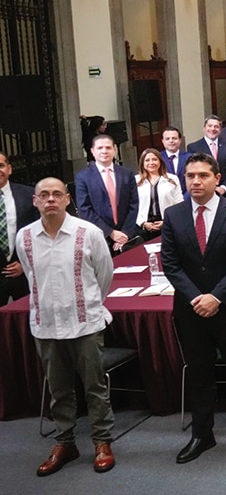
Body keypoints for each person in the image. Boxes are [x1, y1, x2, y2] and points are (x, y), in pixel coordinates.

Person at [161, 154, 226, 464]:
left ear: (217, 178)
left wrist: (216, 297)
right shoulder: (174, 215)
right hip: (191, 311)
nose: (195, 181)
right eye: (190, 175)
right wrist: (196, 298)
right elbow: (171, 264)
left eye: (203, 175)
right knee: (199, 375)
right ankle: (202, 434)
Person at [19, 178, 116, 476]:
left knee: (94, 387)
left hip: (84, 323)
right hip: (46, 326)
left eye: (56, 194)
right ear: (35, 200)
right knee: (59, 390)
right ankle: (65, 441)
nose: (50, 199)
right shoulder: (24, 237)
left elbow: (105, 274)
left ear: (67, 199)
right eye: (44, 195)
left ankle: (102, 441)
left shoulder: (88, 233)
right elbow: (30, 276)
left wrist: (87, 304)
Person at [75, 133, 139, 253]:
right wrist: (110, 232)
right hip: (99, 237)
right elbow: (84, 209)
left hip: (127, 237)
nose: (104, 151)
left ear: (115, 150)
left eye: (108, 147)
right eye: (100, 148)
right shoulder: (83, 177)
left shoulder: (127, 174)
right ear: (92, 151)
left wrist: (125, 233)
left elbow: (134, 204)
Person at [0, 151, 38, 305]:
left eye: (1, 166)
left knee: (27, 322)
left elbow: (40, 232)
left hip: (24, 273)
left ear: (9, 168)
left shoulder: (29, 194)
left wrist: (25, 262)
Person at [185, 115, 226, 201]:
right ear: (204, 128)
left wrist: (223, 188)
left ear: (220, 130)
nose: (213, 129)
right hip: (204, 194)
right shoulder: (193, 147)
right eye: (210, 126)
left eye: (216, 126)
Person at [135, 148, 183, 241]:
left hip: (167, 225)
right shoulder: (135, 181)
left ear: (160, 161)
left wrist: (166, 221)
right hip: (143, 227)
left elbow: (178, 203)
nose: (151, 162)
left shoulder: (172, 179)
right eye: (147, 160)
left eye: (154, 159)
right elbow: (132, 206)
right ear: (142, 163)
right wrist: (143, 223)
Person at [160, 127, 192, 199]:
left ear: (180, 140)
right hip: (165, 200)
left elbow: (192, 180)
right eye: (167, 139)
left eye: (174, 138)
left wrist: (183, 199)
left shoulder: (189, 158)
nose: (171, 141)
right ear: (162, 141)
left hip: (186, 199)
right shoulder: (158, 159)